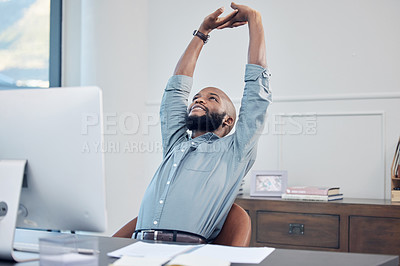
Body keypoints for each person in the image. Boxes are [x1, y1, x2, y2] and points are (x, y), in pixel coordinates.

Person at [123, 2, 272, 244]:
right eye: (196, 97)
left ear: (228, 120)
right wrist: (202, 32)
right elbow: (175, 91)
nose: (199, 99)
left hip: (187, 251)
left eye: (212, 98)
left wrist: (254, 20)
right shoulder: (176, 145)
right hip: (138, 246)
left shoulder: (235, 151)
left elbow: (257, 93)